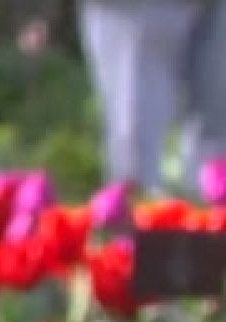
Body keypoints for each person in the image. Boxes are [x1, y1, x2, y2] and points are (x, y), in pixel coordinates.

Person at [80, 0, 226, 194]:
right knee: (136, 148)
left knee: (216, 142)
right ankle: (137, 215)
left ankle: (213, 210)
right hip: (133, 10)